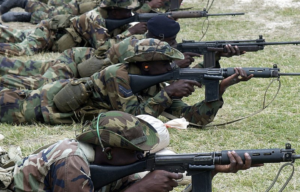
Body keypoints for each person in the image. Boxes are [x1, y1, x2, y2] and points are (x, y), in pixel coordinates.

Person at [0, 38, 252, 125]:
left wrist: (220, 87)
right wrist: (168, 94)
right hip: (31, 108)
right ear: (145, 64)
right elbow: (133, 117)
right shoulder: (116, 75)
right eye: (165, 64)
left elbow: (193, 119)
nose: (171, 67)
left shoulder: (151, 83)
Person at [1, 111, 261, 191]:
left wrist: (211, 170)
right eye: (136, 152)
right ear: (110, 151)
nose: (143, 156)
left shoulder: (113, 164)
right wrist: (141, 187)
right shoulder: (72, 163)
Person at [0, 0, 150, 57]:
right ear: (115, 10)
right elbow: (103, 48)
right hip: (49, 34)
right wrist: (130, 32)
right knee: (22, 50)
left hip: (56, 36)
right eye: (127, 10)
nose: (130, 13)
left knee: (13, 34)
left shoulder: (116, 18)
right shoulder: (94, 17)